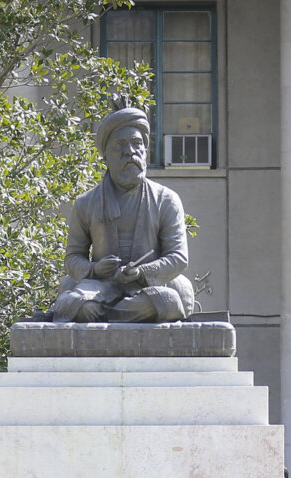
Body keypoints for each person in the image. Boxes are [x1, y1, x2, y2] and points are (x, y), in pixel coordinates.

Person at [48, 102, 194, 323]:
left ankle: (107, 319)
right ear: (105, 155)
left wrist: (142, 272)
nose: (130, 152)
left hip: (148, 288)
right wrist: (95, 269)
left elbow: (178, 257)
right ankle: (112, 317)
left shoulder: (166, 200)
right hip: (99, 287)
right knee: (81, 307)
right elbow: (73, 258)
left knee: (168, 301)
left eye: (137, 144)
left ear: (146, 150)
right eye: (120, 145)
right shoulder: (86, 203)